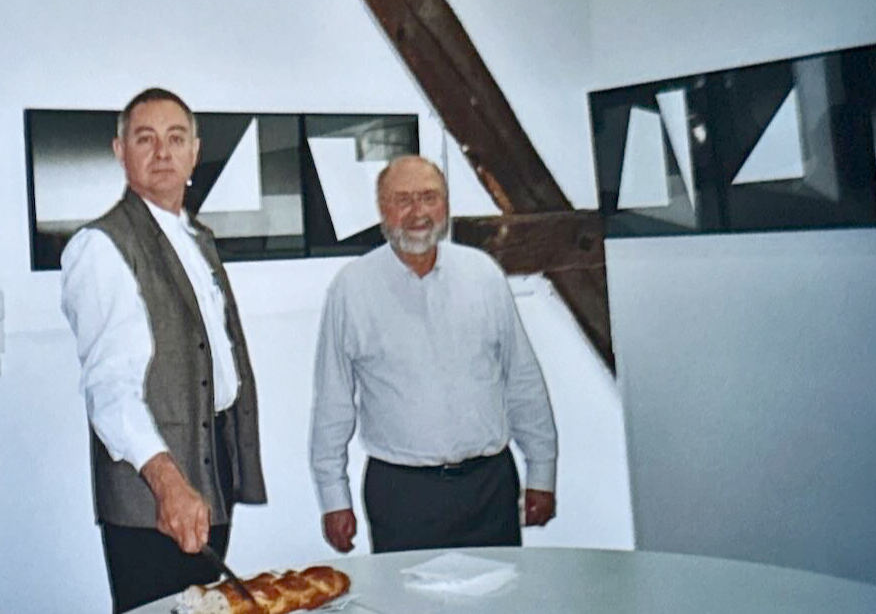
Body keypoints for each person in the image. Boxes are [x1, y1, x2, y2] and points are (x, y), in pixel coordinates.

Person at [61, 88, 267, 613]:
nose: (162, 153)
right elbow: (110, 391)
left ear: (194, 152)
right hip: (153, 488)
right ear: (120, 151)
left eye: (176, 139)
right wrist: (168, 483)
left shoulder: (196, 238)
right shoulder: (101, 246)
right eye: (145, 139)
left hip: (209, 471)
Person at [309, 155, 557, 554]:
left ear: (445, 204)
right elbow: (332, 402)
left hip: (490, 489)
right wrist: (333, 497)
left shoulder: (483, 275)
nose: (418, 212)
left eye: (429, 197)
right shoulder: (351, 289)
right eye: (403, 199)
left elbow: (522, 379)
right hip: (402, 496)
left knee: (501, 590)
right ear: (382, 208)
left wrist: (541, 472)